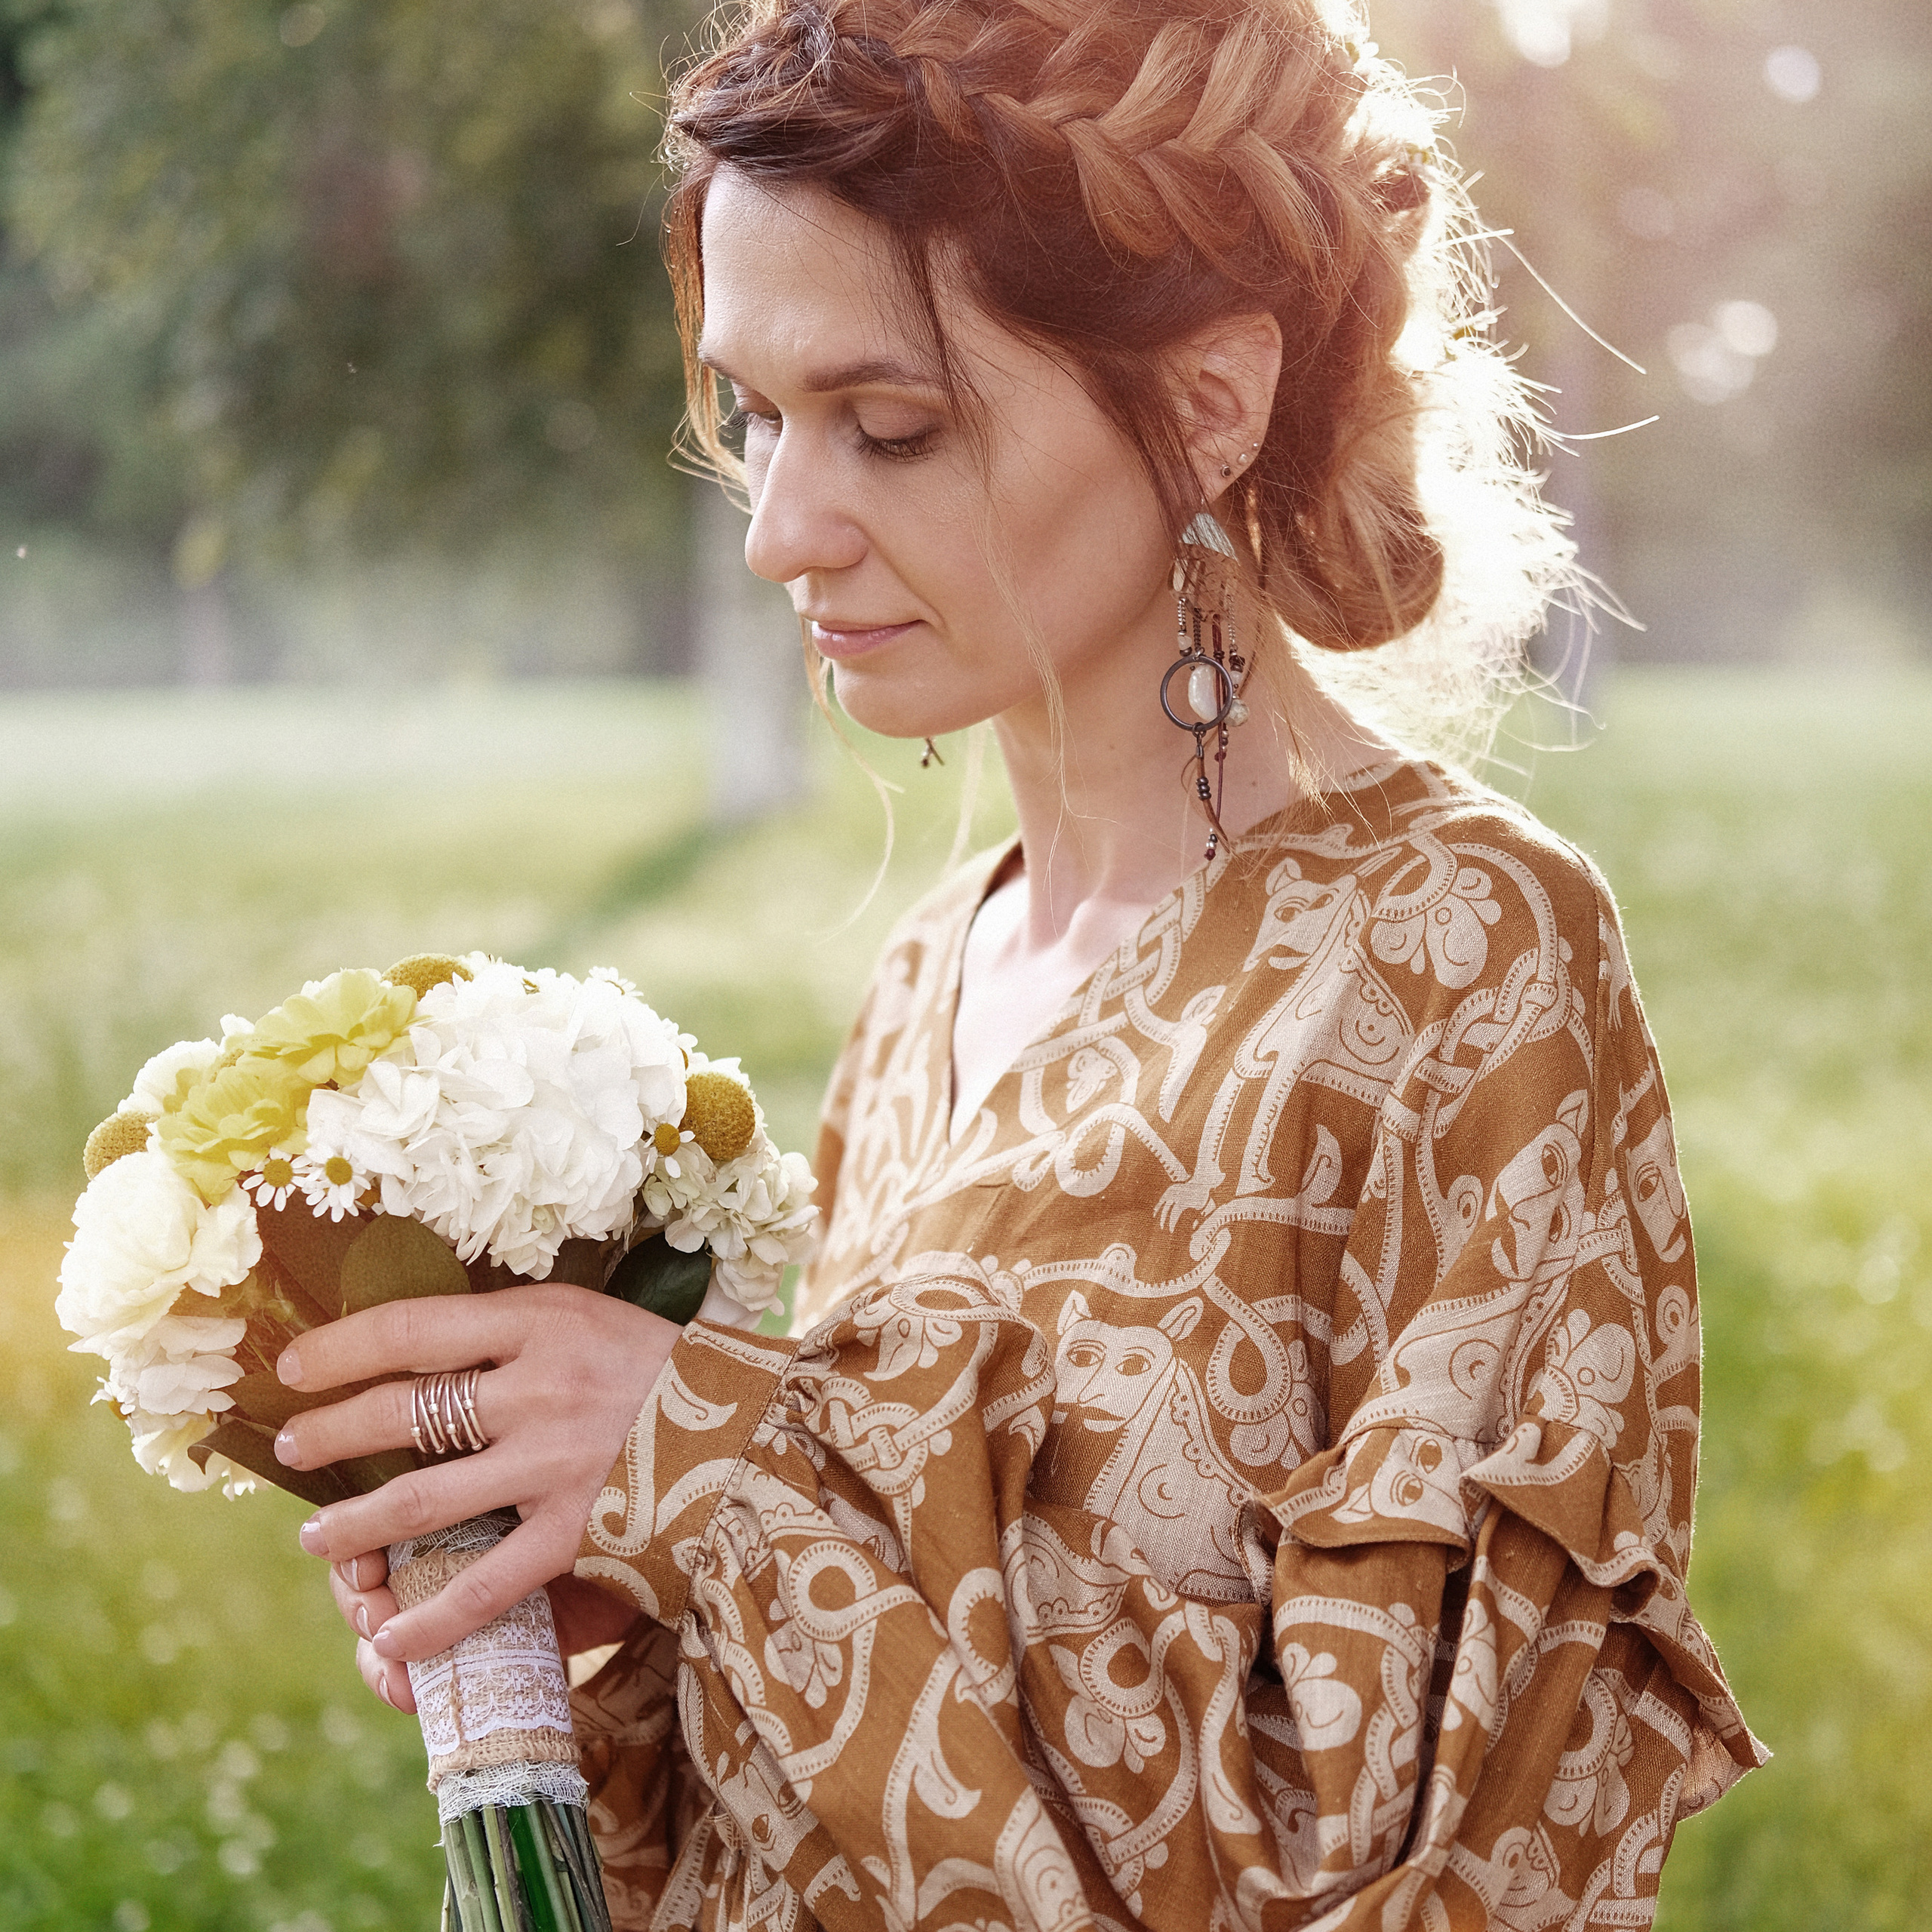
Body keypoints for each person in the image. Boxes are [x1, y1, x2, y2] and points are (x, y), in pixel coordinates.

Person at [273, 0, 1766, 1924]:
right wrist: (593, 1601)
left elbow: (1433, 1856)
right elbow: (896, 1720)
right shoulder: (927, 976)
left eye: (890, 426)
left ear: (1210, 404)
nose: (781, 529)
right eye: (754, 415)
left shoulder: (1458, 961)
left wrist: (719, 1470)